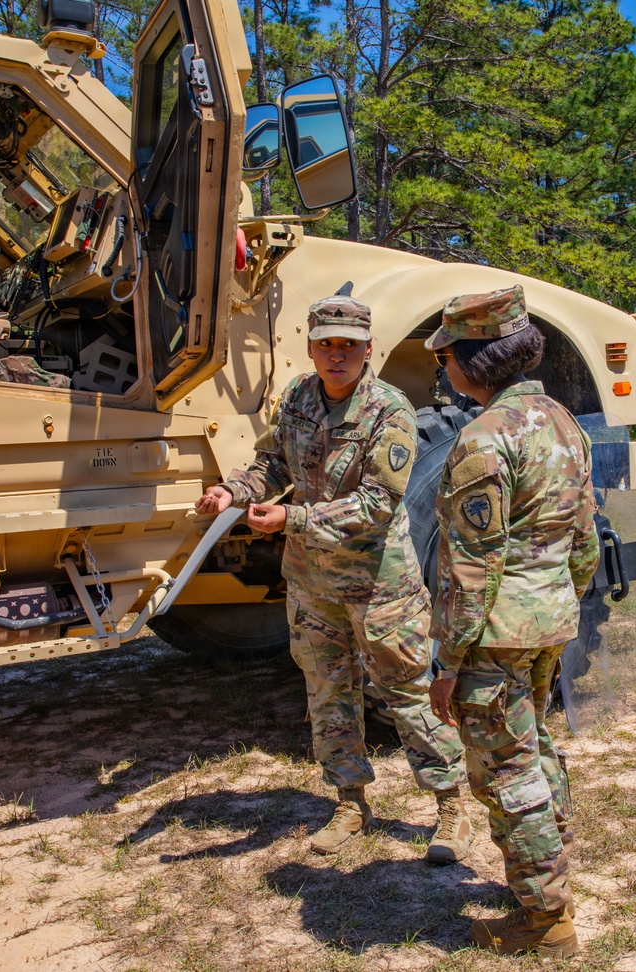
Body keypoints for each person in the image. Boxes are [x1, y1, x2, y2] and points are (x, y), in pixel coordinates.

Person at [196, 293, 470, 861]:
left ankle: (451, 806)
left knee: (408, 694)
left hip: (379, 586)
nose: (337, 355)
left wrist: (291, 517)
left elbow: (378, 503)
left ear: (369, 349)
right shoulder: (298, 395)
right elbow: (273, 463)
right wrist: (233, 491)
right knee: (327, 694)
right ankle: (350, 803)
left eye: (349, 345)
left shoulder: (388, 410)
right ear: (311, 348)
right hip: (312, 583)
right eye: (327, 345)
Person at [425, 285, 600, 958]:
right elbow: (585, 540)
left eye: (448, 358)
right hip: (549, 619)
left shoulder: (483, 439)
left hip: (496, 633)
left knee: (506, 771)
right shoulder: (563, 422)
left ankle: (545, 918)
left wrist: (449, 664)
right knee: (536, 751)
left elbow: (471, 569)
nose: (444, 370)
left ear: (472, 360)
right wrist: (560, 601)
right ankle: (549, 871)